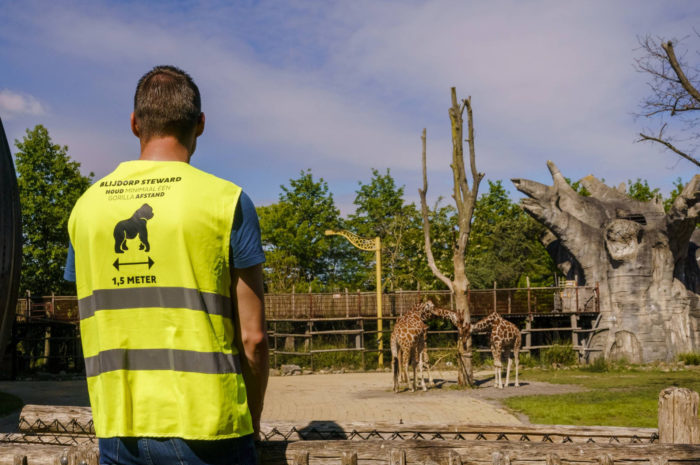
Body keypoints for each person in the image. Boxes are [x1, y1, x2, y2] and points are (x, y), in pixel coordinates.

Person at [65, 65, 268, 465]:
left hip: (118, 429)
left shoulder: (85, 208)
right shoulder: (226, 202)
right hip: (210, 430)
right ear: (201, 123)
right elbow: (254, 338)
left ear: (134, 123)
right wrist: (252, 421)